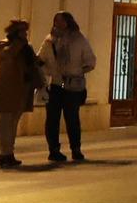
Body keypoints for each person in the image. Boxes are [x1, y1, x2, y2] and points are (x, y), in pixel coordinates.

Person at [36, 12, 97, 164]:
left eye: (61, 21)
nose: (57, 24)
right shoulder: (49, 40)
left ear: (68, 22)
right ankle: (54, 150)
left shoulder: (78, 39)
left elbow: (90, 60)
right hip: (57, 84)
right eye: (55, 20)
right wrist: (45, 71)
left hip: (72, 85)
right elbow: (41, 59)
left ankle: (75, 148)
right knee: (52, 119)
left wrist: (77, 72)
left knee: (72, 119)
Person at [0, 19, 44, 168]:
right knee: (4, 122)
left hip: (22, 89)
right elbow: (8, 54)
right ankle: (4, 153)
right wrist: (19, 43)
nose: (25, 34)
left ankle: (9, 152)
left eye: (25, 31)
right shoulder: (4, 44)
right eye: (21, 31)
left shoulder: (27, 47)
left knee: (13, 122)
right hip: (7, 88)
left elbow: (34, 63)